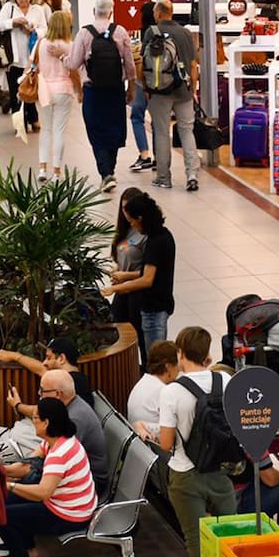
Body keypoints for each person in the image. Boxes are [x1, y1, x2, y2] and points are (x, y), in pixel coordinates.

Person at [157, 326, 235, 557]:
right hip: (220, 471)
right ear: (206, 353)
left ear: (180, 353)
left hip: (185, 475)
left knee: (196, 541)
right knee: (229, 536)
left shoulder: (172, 391)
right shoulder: (225, 380)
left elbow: (166, 444)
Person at [0, 397, 99, 557]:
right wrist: (1, 470)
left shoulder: (59, 454)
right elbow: (28, 465)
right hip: (69, 503)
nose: (32, 421)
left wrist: (9, 485)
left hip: (69, 515)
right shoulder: (58, 441)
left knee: (3, 516)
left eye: (35, 418)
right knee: (7, 502)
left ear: (46, 423)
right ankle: (31, 556)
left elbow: (42, 493)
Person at [0, 370, 106, 486]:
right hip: (60, 470)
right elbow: (43, 449)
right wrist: (13, 469)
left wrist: (11, 483)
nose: (39, 394)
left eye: (42, 391)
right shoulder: (65, 407)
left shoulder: (74, 419)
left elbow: (51, 467)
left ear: (57, 394)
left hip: (82, 481)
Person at [65, 0, 136, 193]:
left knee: (96, 130)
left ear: (94, 12)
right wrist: (131, 88)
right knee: (114, 129)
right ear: (110, 13)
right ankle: (109, 169)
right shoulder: (120, 32)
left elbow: (73, 63)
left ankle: (105, 173)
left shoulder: (84, 33)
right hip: (115, 89)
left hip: (93, 91)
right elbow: (129, 65)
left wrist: (64, 59)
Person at [101, 193, 175, 359]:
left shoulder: (157, 241)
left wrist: (115, 288)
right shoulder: (160, 236)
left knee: (155, 358)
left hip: (155, 309)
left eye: (132, 221)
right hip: (150, 306)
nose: (132, 225)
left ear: (140, 218)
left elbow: (146, 279)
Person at [142, 0, 200, 192]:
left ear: (158, 14)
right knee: (186, 130)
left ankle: (163, 178)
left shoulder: (151, 32)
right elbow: (193, 64)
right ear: (171, 13)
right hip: (183, 90)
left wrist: (146, 88)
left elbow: (144, 62)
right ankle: (192, 175)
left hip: (159, 91)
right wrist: (193, 89)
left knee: (161, 132)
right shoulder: (185, 33)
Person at [31, 10, 80, 182]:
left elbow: (33, 65)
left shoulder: (41, 43)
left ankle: (42, 168)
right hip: (63, 90)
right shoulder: (70, 45)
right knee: (59, 131)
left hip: (44, 90)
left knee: (46, 129)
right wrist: (80, 91)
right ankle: (57, 172)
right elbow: (74, 71)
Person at [0, 0, 46, 133]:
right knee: (15, 92)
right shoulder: (9, 8)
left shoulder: (37, 10)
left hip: (31, 57)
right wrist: (14, 22)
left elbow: (45, 29)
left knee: (29, 89)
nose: (24, 0)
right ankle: (20, 123)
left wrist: (34, 31)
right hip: (14, 58)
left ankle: (33, 117)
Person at [0, 337, 95, 406]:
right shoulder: (72, 378)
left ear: (61, 358)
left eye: (48, 358)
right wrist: (15, 356)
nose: (44, 362)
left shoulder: (69, 385)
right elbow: (41, 369)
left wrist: (17, 405)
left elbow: (41, 412)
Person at [109, 187, 148, 341]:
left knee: (138, 334)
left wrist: (125, 275)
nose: (126, 213)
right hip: (122, 290)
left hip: (138, 292)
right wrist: (117, 269)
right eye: (124, 208)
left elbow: (150, 272)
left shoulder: (146, 235)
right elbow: (122, 255)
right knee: (118, 331)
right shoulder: (125, 230)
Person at [126, 340, 178, 439]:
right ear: (168, 367)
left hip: (138, 441)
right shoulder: (164, 391)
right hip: (152, 443)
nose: (179, 370)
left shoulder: (143, 382)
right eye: (177, 365)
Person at [127, 2, 156, 172]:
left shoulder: (145, 34)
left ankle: (144, 154)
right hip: (159, 83)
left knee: (137, 117)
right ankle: (159, 157)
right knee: (157, 121)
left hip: (142, 82)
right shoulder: (163, 33)